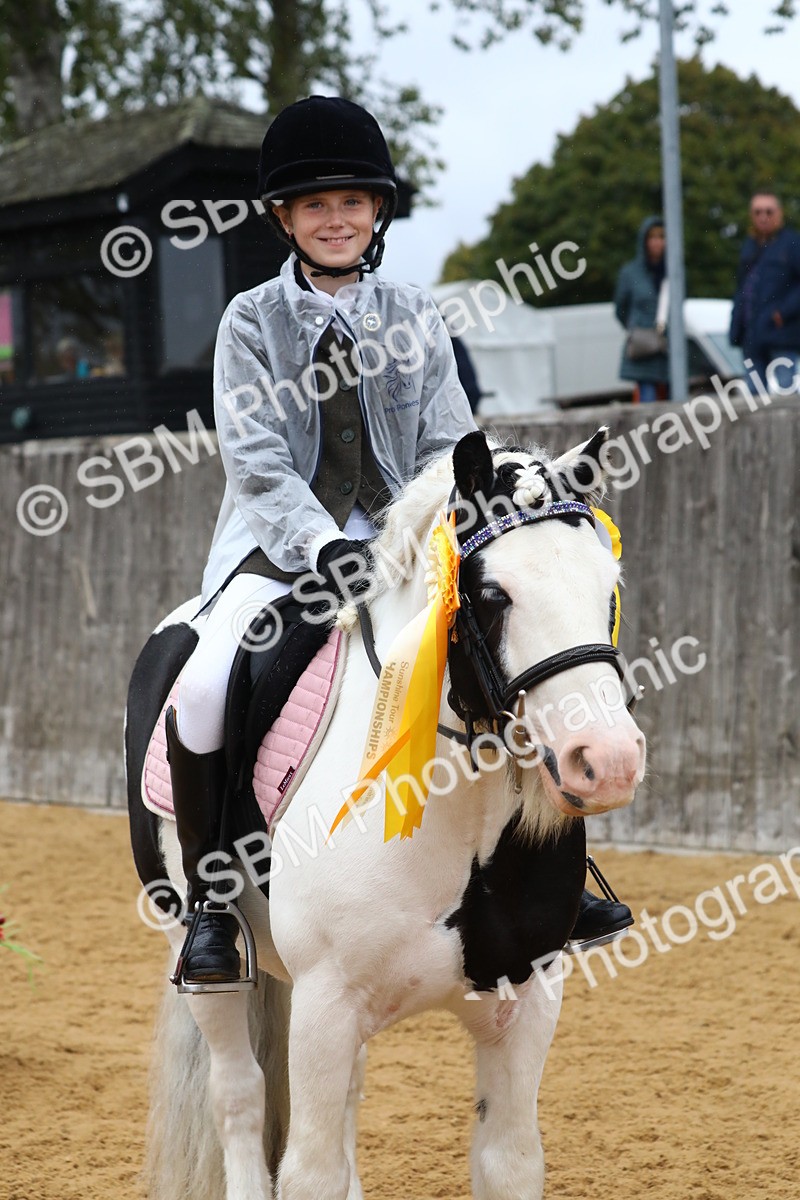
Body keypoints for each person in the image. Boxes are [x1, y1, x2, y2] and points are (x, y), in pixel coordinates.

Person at [165, 95, 628, 984]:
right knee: (205, 688)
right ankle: (213, 904)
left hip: (406, 550)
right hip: (276, 550)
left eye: (351, 202)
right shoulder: (249, 324)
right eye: (314, 205)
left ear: (376, 212)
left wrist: (432, 530)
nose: (334, 219)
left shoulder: (415, 317)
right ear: (284, 219)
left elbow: (449, 448)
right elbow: (257, 465)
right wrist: (319, 545)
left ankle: (564, 874)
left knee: (507, 653)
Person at [730, 190, 800, 396]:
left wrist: (783, 313)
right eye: (758, 212)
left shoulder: (792, 243)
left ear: (779, 214)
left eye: (769, 212)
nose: (763, 217)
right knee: (753, 396)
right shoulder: (749, 246)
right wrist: (737, 326)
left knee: (786, 393)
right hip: (751, 336)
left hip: (782, 334)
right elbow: (742, 289)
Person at [614, 216, 670, 403]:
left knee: (673, 400)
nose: (657, 242)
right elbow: (620, 308)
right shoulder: (631, 273)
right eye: (652, 237)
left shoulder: (673, 271)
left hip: (668, 346)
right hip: (643, 347)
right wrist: (636, 327)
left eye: (661, 236)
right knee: (647, 397)